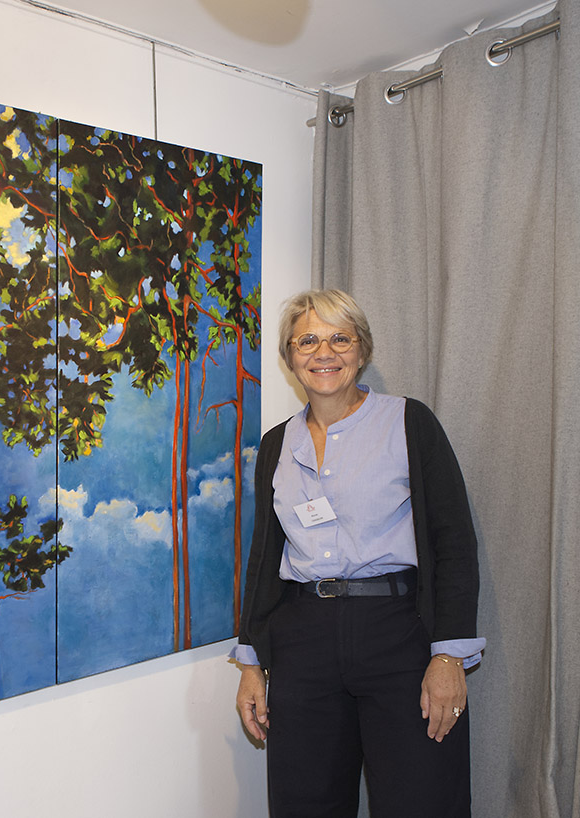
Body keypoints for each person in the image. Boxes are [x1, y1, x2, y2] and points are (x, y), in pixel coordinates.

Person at [233, 289, 483, 818]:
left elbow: (454, 543)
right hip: (303, 642)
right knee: (305, 802)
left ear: (361, 349)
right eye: (307, 340)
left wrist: (448, 656)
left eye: (339, 339)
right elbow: (264, 557)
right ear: (289, 356)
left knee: (422, 799)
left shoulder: (409, 422)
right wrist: (252, 662)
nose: (323, 352)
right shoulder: (277, 445)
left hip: (398, 635)